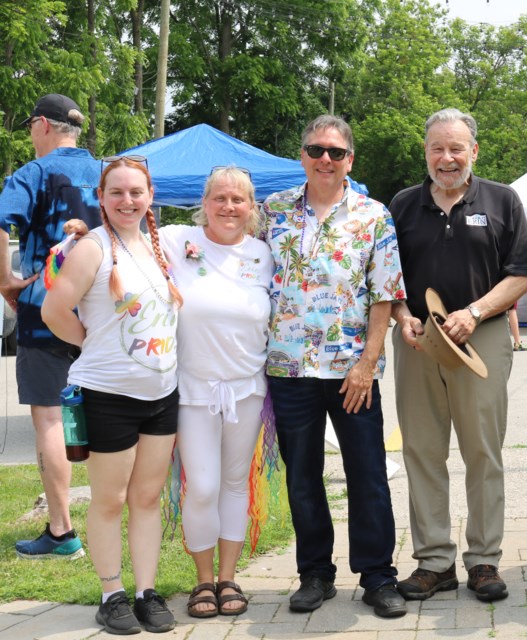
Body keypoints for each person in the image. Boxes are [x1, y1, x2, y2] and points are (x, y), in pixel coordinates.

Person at [262, 115, 407, 619]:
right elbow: (225, 246)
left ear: (351, 160)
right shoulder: (273, 211)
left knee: (368, 473)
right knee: (303, 476)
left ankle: (378, 577)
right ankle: (315, 575)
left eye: (336, 152)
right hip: (289, 369)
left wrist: (368, 363)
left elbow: (385, 296)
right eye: (315, 149)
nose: (326, 158)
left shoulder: (374, 216)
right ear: (301, 154)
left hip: (352, 370)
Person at [389, 108, 527, 603]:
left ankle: (484, 560)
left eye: (456, 148)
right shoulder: (404, 205)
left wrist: (474, 311)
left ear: (474, 150)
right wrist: (402, 316)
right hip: (418, 339)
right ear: (425, 152)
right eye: (436, 148)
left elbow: (521, 274)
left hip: (483, 335)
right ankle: (433, 562)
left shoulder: (502, 200)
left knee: (482, 451)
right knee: (422, 451)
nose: (446, 158)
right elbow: (389, 279)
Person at [41, 157, 182, 635]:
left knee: (146, 498)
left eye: (136, 192)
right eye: (116, 192)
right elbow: (54, 310)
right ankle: (111, 594)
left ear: (150, 195)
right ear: (100, 197)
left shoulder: (155, 247)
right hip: (108, 395)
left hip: (162, 394)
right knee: (109, 499)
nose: (127, 200)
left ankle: (146, 592)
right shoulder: (92, 248)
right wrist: (91, 343)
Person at [160, 167, 273, 617]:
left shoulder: (264, 254)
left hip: (247, 388)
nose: (229, 207)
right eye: (220, 198)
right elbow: (122, 232)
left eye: (239, 200)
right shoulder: (173, 239)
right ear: (204, 203)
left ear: (251, 208)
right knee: (202, 486)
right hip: (193, 389)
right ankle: (201, 580)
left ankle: (227, 579)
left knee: (233, 483)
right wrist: (78, 229)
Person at [0, 94, 101, 560]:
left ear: (42, 124)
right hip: (102, 314)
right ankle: (113, 518)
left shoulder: (31, 174)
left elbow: (1, 222)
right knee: (111, 416)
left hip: (44, 311)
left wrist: (6, 281)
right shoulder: (108, 175)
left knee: (48, 418)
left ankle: (62, 532)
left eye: (29, 126)